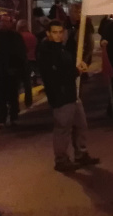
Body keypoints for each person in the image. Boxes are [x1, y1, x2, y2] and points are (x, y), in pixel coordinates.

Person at [38, 21, 101, 172]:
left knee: (81, 125)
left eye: (60, 32)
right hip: (61, 96)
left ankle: (81, 153)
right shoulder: (47, 52)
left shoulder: (62, 49)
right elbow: (56, 75)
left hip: (71, 94)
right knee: (63, 128)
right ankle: (61, 160)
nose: (58, 35)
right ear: (48, 33)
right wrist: (76, 71)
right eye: (55, 32)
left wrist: (78, 66)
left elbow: (68, 65)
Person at [0, 17, 27, 127]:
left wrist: (19, 69)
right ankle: (1, 119)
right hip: (0, 72)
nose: (4, 24)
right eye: (2, 21)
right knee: (1, 97)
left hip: (13, 72)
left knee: (13, 96)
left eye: (6, 21)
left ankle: (13, 117)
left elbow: (21, 54)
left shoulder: (16, 37)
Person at [18, 19, 37, 108]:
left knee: (18, 82)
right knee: (27, 82)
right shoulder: (32, 36)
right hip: (31, 60)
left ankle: (15, 102)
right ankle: (28, 102)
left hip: (21, 60)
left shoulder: (19, 36)